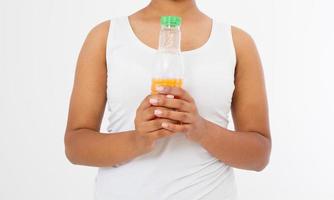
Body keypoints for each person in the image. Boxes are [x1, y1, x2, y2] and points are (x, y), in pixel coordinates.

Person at [64, 0, 271, 199]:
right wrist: (138, 139)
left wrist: (202, 131)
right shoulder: (106, 36)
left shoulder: (236, 42)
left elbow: (259, 154)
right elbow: (75, 146)